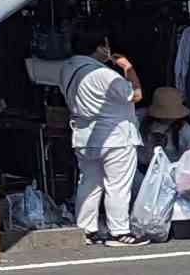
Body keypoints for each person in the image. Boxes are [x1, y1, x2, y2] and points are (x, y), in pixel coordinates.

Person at [26, 31, 145, 243]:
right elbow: (135, 94)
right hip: (115, 136)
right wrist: (127, 66)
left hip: (84, 135)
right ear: (101, 48)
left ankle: (86, 229)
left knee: (89, 183)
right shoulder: (104, 74)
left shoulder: (68, 69)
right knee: (117, 185)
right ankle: (120, 232)